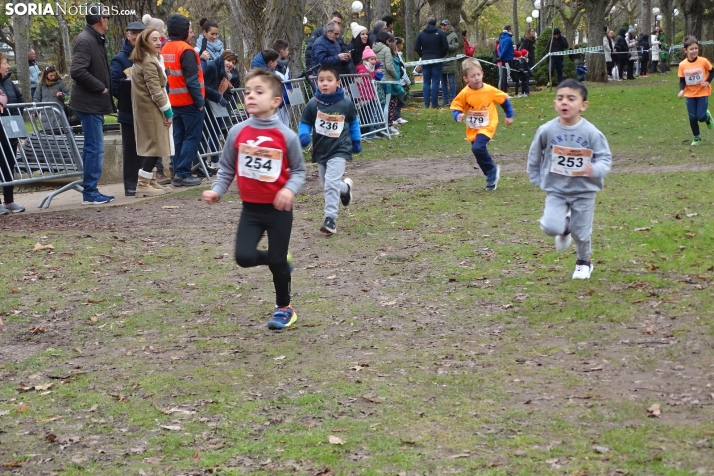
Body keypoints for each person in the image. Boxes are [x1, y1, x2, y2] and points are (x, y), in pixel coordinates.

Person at [202, 69, 306, 330]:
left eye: (259, 92)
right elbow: (226, 168)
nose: (250, 96)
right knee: (244, 257)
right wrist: (217, 190)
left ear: (275, 101)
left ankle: (285, 308)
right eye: (247, 91)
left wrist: (289, 190)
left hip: (278, 210)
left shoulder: (286, 136)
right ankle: (279, 258)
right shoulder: (237, 132)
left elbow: (300, 171)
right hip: (251, 210)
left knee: (278, 261)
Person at [527, 79, 612, 280]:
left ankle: (584, 262)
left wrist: (595, 169)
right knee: (550, 227)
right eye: (560, 98)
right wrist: (535, 176)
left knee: (581, 233)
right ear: (555, 103)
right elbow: (534, 154)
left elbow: (605, 157)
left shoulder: (591, 132)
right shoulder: (546, 130)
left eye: (571, 99)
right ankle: (564, 226)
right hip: (556, 188)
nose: (564, 102)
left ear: (583, 105)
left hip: (584, 190)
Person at [298, 64, 360, 234]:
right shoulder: (313, 104)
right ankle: (345, 188)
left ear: (338, 83)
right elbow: (305, 122)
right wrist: (303, 135)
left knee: (330, 184)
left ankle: (330, 219)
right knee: (328, 184)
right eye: (321, 80)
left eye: (329, 80)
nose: (324, 83)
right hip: (320, 149)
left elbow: (354, 122)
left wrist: (356, 140)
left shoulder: (345, 103)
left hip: (340, 149)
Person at [69, 2, 116, 205]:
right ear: (100, 20)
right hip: (88, 104)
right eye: (107, 17)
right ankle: (90, 191)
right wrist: (100, 87)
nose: (109, 20)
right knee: (94, 147)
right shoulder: (86, 40)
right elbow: (77, 70)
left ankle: (91, 189)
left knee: (94, 146)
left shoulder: (96, 39)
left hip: (94, 103)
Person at [450, 58, 514, 191]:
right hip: (473, 127)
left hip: (488, 124)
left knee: (477, 148)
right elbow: (456, 106)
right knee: (478, 151)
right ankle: (491, 173)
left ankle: (491, 171)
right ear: (466, 78)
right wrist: (458, 115)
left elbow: (504, 100)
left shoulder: (489, 90)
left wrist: (509, 115)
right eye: (472, 76)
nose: (476, 78)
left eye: (478, 74)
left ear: (482, 74)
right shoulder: (464, 93)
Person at [162, 13, 205, 187]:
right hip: (189, 102)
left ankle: (178, 173)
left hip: (173, 102)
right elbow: (192, 80)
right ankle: (183, 173)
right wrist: (200, 102)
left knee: (178, 138)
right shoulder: (186, 50)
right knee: (191, 138)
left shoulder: (164, 49)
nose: (192, 33)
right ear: (183, 30)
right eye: (190, 29)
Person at [130, 27, 173, 197]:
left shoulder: (150, 59)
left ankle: (151, 180)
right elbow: (155, 90)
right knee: (155, 146)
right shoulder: (148, 61)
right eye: (153, 39)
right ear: (145, 42)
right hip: (150, 109)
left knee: (154, 146)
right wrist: (168, 112)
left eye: (159, 39)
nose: (158, 42)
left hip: (148, 108)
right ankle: (143, 183)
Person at [110, 20, 146, 197]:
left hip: (147, 112)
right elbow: (115, 86)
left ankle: (146, 181)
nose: (137, 37)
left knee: (146, 148)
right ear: (128, 35)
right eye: (134, 34)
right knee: (131, 149)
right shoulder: (120, 59)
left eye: (141, 34)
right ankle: (130, 185)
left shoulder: (149, 56)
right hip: (129, 112)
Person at [0, 52, 26, 214]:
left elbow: (20, 99)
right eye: (4, 62)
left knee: (9, 164)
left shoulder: (9, 82)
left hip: (10, 129)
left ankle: (9, 201)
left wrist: (16, 116)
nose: (8, 65)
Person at [677, 36, 713, 147]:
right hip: (690, 94)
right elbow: (682, 80)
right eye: (691, 49)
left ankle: (707, 117)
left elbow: (712, 71)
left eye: (696, 48)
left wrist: (707, 81)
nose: (694, 51)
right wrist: (681, 90)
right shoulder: (682, 65)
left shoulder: (703, 61)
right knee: (692, 117)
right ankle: (697, 137)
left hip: (702, 92)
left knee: (701, 117)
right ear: (685, 50)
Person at [414, 17, 448, 108]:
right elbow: (445, 46)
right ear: (435, 23)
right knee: (436, 81)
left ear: (427, 22)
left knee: (426, 82)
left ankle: (426, 104)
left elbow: (416, 47)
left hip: (425, 60)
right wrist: (441, 55)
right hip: (437, 59)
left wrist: (423, 55)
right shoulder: (440, 33)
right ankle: (434, 103)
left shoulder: (421, 34)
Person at [373, 31, 399, 134]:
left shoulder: (373, 48)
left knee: (378, 104)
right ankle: (386, 126)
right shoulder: (386, 49)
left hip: (376, 79)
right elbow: (389, 65)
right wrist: (395, 76)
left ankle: (377, 126)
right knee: (386, 105)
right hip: (386, 79)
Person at [33, 65, 70, 131]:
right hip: (46, 113)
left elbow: (68, 98)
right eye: (51, 76)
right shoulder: (41, 85)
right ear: (46, 75)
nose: (53, 77)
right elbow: (37, 98)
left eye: (54, 75)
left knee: (60, 132)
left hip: (58, 112)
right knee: (47, 132)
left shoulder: (60, 83)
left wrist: (62, 95)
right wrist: (35, 111)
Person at [440, 20, 459, 107]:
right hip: (441, 61)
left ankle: (452, 99)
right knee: (443, 82)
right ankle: (445, 100)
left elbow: (455, 47)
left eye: (445, 25)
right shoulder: (440, 34)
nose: (443, 27)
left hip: (450, 61)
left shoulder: (453, 35)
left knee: (452, 82)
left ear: (449, 26)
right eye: (442, 25)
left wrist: (446, 46)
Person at [394, 37, 409, 124]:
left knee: (400, 99)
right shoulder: (396, 56)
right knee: (398, 100)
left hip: (401, 81)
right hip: (399, 81)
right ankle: (395, 117)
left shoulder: (399, 55)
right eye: (401, 44)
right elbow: (401, 69)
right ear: (398, 45)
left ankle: (397, 116)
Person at [497, 25, 515, 93]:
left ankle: (503, 91)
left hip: (504, 58)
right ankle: (505, 92)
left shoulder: (502, 38)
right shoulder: (508, 39)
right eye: (512, 29)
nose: (512, 30)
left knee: (504, 75)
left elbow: (500, 49)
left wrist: (500, 57)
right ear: (509, 30)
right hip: (508, 59)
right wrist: (501, 57)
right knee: (506, 75)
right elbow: (505, 49)